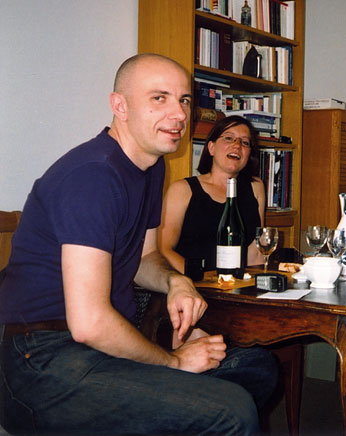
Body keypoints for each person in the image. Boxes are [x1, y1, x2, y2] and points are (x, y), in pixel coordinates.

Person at [0, 53, 277, 435]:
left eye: (183, 100)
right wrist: (174, 363)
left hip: (104, 344)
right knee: (232, 410)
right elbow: (90, 323)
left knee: (256, 368)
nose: (179, 114)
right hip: (43, 358)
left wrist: (175, 282)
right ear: (120, 105)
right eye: (159, 98)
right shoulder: (94, 176)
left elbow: (147, 257)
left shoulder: (151, 168)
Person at [160, 115, 266, 274]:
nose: (237, 145)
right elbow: (163, 249)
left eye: (245, 142)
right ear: (211, 147)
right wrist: (197, 280)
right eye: (229, 138)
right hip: (192, 285)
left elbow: (255, 252)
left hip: (237, 286)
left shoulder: (256, 187)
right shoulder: (182, 190)